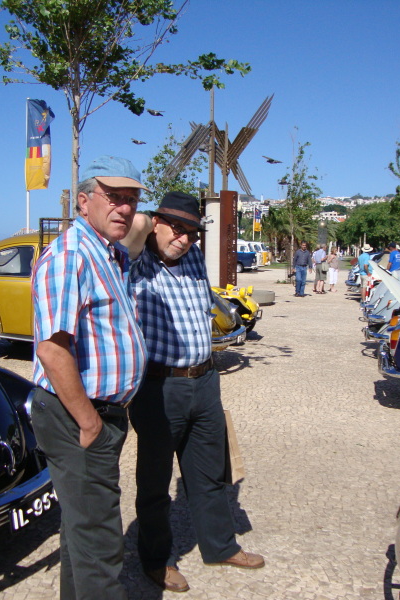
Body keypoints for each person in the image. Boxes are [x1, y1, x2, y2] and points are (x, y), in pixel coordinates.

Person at [122, 192, 264, 594]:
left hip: (205, 380)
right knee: (155, 479)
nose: (184, 238)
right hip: (159, 387)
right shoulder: (134, 263)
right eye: (176, 228)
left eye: (192, 232)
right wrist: (149, 224)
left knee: (210, 473)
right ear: (155, 223)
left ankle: (220, 546)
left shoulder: (194, 259)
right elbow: (131, 233)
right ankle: (155, 560)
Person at [30, 156, 148, 600]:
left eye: (131, 200)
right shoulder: (70, 256)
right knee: (100, 542)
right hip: (76, 415)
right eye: (113, 198)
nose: (124, 208)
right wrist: (89, 422)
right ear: (83, 202)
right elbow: (52, 350)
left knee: (82, 529)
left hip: (102, 413)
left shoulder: (111, 253)